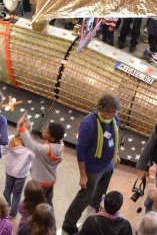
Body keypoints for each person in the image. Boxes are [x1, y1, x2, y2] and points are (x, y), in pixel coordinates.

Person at [62, 95, 121, 235]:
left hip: (108, 163)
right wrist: (83, 175)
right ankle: (69, 223)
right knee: (84, 196)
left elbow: (113, 136)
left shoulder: (115, 119)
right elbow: (80, 151)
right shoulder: (89, 124)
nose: (116, 114)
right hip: (93, 168)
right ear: (103, 110)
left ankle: (95, 203)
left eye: (116, 111)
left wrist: (115, 153)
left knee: (102, 188)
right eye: (113, 111)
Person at [17, 116, 64, 207]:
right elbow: (61, 140)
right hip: (50, 180)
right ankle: (49, 218)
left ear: (53, 139)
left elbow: (31, 145)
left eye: (46, 131)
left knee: (35, 204)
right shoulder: (61, 145)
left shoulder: (46, 149)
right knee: (48, 202)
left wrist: (22, 127)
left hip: (40, 183)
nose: (43, 130)